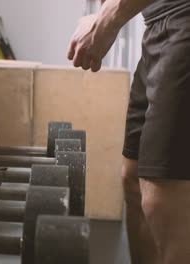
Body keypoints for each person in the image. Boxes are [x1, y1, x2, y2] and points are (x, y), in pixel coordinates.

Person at [67, 0, 190, 263]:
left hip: (183, 19)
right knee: (132, 179)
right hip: (157, 23)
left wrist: (109, 17)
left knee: (163, 198)